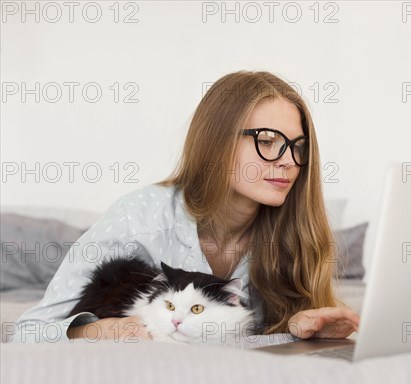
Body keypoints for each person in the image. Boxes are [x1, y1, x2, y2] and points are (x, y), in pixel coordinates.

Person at [10, 70, 360, 344]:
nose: (288, 162)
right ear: (216, 143)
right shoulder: (138, 217)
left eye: (298, 147)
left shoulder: (295, 231)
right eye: (268, 141)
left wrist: (301, 325)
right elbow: (28, 332)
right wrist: (100, 330)